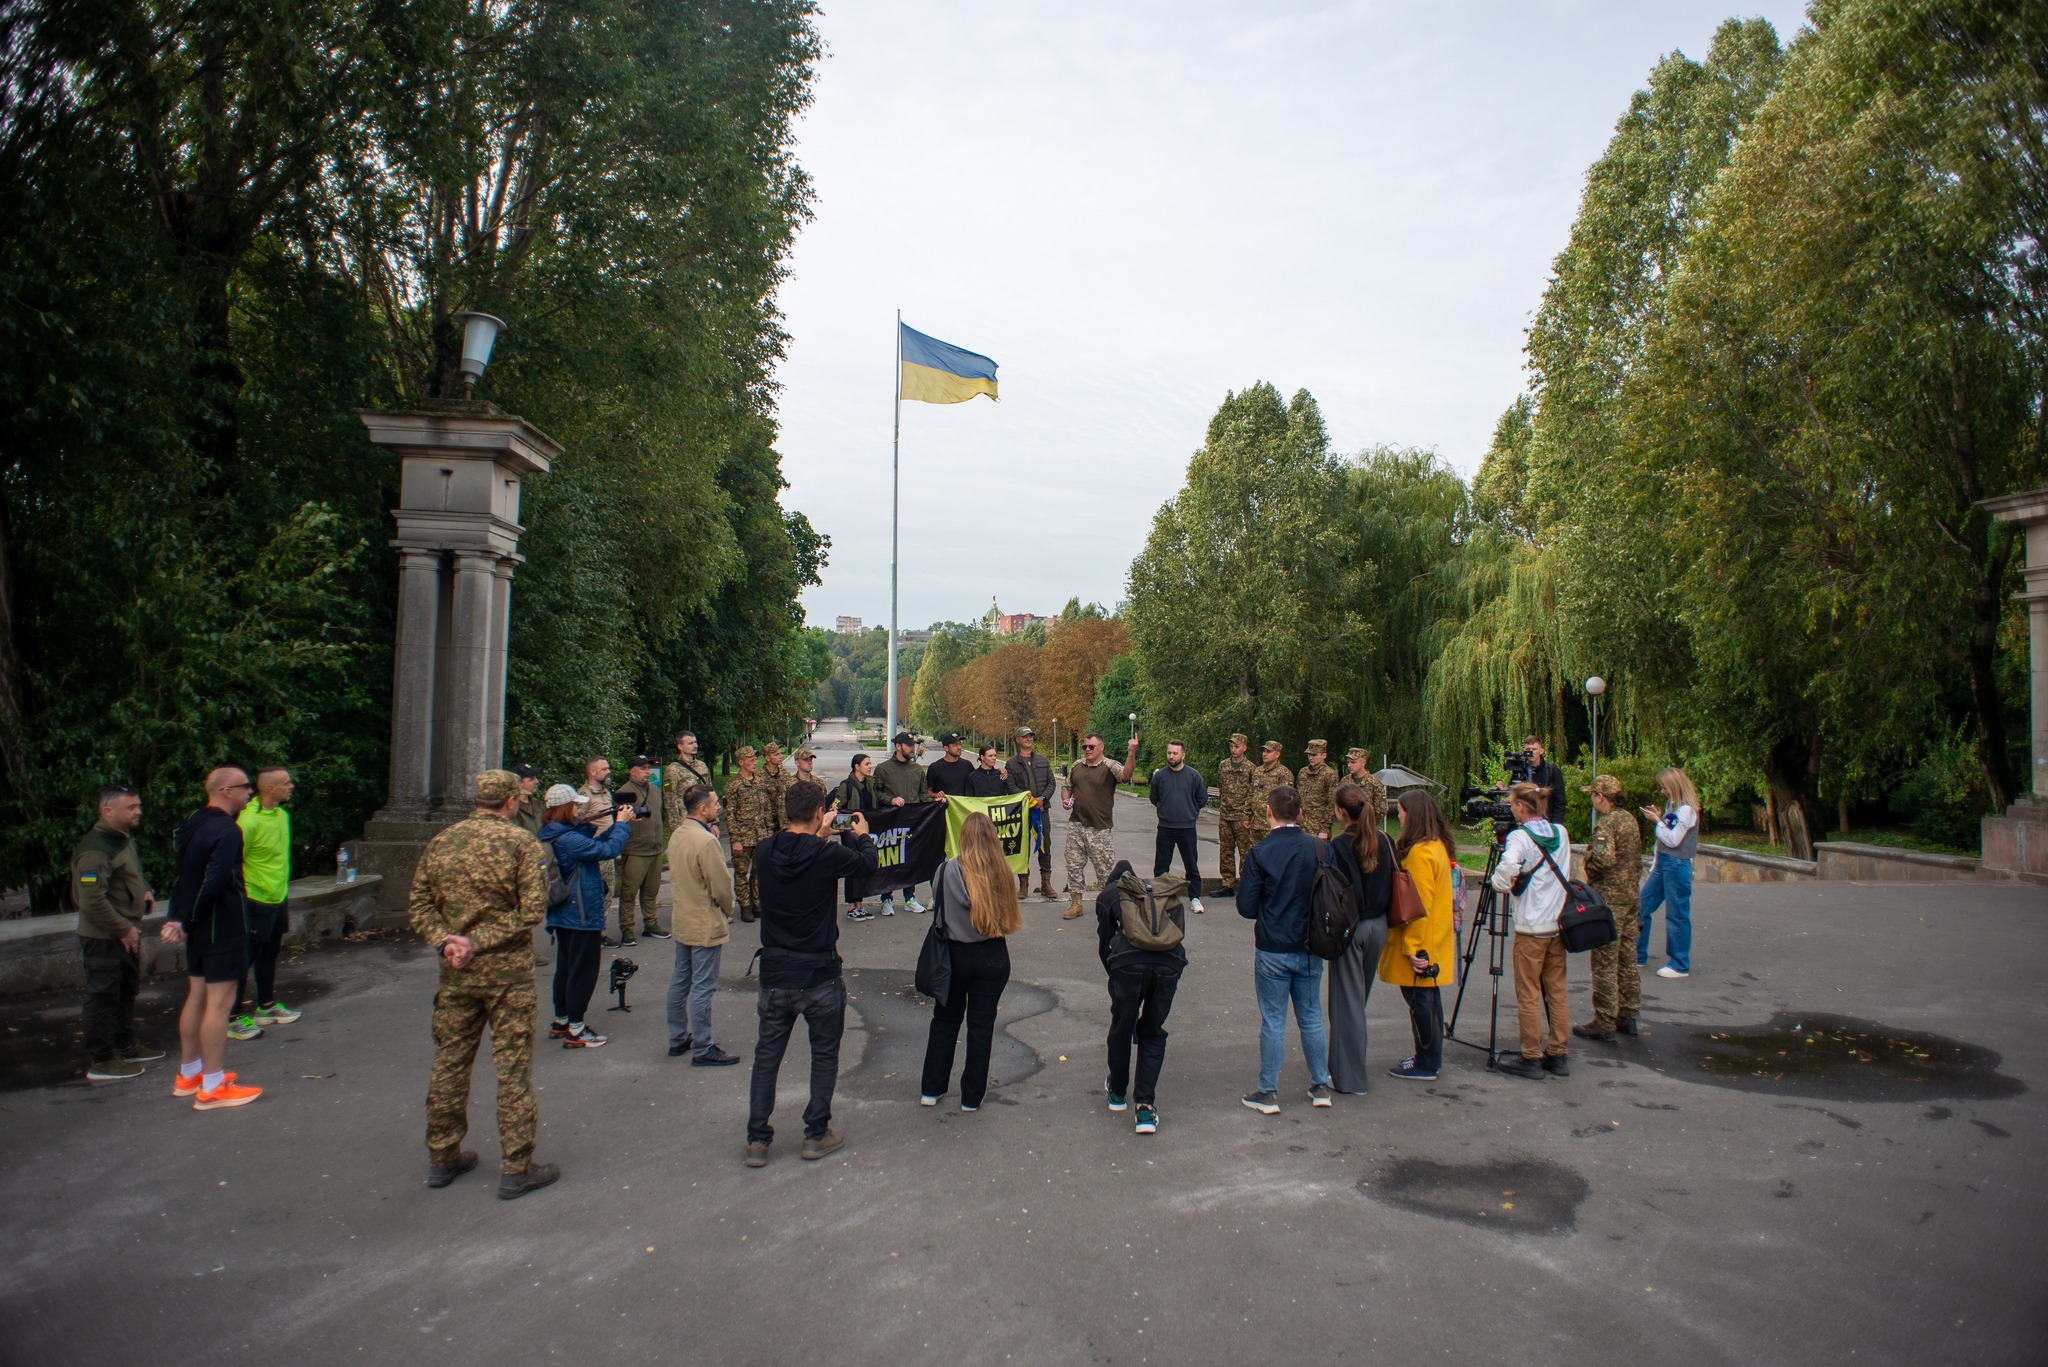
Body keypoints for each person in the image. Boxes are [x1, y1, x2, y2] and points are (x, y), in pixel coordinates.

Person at [409, 769, 557, 1198]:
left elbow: (418, 904)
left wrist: (447, 942)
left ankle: (442, 1155)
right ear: (511, 801)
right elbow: (532, 909)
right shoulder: (519, 843)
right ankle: (517, 1164)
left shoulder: (443, 842)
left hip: (457, 974)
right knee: (512, 1069)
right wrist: (479, 940)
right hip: (507, 975)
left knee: (450, 1063)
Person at [744, 780, 878, 1167]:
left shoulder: (766, 850)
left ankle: (757, 1138)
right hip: (818, 970)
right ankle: (815, 1133)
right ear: (820, 813)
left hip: (775, 969)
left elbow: (795, 850)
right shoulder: (824, 855)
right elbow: (867, 865)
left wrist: (818, 835)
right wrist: (862, 836)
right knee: (823, 1054)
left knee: (767, 1055)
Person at [162, 767, 263, 1110]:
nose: (250, 792)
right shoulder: (227, 829)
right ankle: (212, 1086)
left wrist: (177, 917)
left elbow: (183, 878)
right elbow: (215, 881)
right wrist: (188, 920)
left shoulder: (191, 823)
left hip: (199, 926)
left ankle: (189, 1074)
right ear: (224, 790)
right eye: (244, 787)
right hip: (221, 926)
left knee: (197, 995)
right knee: (220, 1004)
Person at [1235, 784, 1333, 1113]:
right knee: (1311, 1016)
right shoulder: (1319, 848)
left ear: (1268, 811)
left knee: (1274, 1020)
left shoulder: (1260, 852)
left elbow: (1246, 906)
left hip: (1274, 944)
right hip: (1311, 943)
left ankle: (1268, 1091)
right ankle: (1320, 1084)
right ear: (1301, 814)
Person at [918, 812, 1024, 1111]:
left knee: (944, 1021)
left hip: (952, 955)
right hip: (991, 954)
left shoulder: (947, 870)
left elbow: (939, 909)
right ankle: (972, 1097)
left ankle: (932, 1088)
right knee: (981, 1026)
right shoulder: (1003, 871)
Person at [73, 784, 163, 1081]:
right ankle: (102, 1060)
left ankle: (125, 1045)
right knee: (102, 998)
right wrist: (123, 928)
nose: (138, 811)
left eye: (138, 806)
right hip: (105, 937)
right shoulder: (95, 850)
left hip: (125, 932)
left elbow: (131, 872)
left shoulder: (120, 838)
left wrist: (145, 889)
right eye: (131, 807)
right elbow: (90, 900)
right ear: (107, 810)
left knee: (126, 991)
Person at [538, 781, 635, 1048]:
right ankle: (577, 1030)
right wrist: (622, 824)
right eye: (577, 807)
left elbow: (590, 847)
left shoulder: (551, 833)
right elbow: (607, 851)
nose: (580, 811)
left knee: (566, 968)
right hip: (581, 914)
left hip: (562, 913)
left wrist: (613, 826)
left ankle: (562, 1021)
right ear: (565, 808)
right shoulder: (568, 839)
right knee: (583, 971)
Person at [1490, 781, 1573, 1080]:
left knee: (1528, 993)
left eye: (1513, 805)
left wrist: (1499, 883)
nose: (1511, 809)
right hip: (1557, 924)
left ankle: (1531, 1055)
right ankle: (1558, 1053)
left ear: (1522, 807)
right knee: (1557, 992)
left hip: (1530, 928)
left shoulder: (1519, 838)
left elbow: (1507, 870)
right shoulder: (1560, 833)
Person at [1095, 858, 1185, 1135]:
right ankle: (1145, 1107)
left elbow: (1105, 945)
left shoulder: (1109, 895)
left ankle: (1118, 1093)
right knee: (1153, 1031)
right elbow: (1178, 934)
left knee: (1121, 1027)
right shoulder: (1162, 894)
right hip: (1169, 964)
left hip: (1127, 966)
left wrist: (1116, 976)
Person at [1385, 791, 1458, 1080]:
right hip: (1436, 936)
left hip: (1422, 941)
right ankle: (1428, 1057)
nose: (1399, 815)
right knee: (1430, 1001)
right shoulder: (1437, 845)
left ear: (1411, 815)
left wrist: (1414, 948)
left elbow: (1417, 904)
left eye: (1401, 811)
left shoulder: (1419, 853)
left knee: (1420, 1003)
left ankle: (1426, 1061)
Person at [664, 784, 739, 1066]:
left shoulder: (679, 834)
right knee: (703, 986)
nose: (719, 807)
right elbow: (720, 885)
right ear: (703, 808)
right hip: (704, 921)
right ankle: (703, 1046)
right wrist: (728, 909)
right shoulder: (706, 842)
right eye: (716, 803)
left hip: (683, 918)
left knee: (680, 981)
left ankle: (677, 1038)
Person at [1325, 783, 1392, 1093]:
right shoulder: (1384, 840)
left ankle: (1350, 1078)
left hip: (1351, 929)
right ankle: (1344, 1065)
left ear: (1340, 811)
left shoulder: (1339, 846)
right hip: (1379, 926)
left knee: (1347, 1004)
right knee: (1357, 998)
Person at [233, 765, 300, 1036]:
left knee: (270, 953)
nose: (291, 786)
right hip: (254, 899)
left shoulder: (282, 816)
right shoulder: (247, 822)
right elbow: (235, 861)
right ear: (269, 788)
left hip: (278, 896)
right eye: (285, 783)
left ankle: (266, 1006)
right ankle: (232, 1015)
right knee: (245, 957)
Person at [1577, 774, 1645, 1039]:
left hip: (1611, 898)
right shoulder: (1629, 819)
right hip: (1630, 895)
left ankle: (1604, 1020)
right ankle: (1628, 1014)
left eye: (1593, 795)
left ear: (1600, 797)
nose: (1592, 799)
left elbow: (1604, 860)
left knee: (1605, 960)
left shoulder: (1607, 824)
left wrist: (1590, 868)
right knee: (1627, 958)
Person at [1061, 731, 1140, 920]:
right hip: (1076, 824)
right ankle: (1076, 903)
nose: (1087, 750)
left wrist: (1131, 753)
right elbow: (1067, 786)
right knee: (1073, 866)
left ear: (1101, 747)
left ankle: (1111, 906)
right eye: (1085, 747)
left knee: (1105, 871)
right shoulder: (1077, 766)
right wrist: (1066, 800)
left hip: (1100, 828)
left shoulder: (1109, 766)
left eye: (1091, 747)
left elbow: (1126, 776)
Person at [1637, 767, 1700, 979]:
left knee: (1676, 913)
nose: (1662, 791)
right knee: (1641, 906)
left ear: (1674, 787)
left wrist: (1656, 821)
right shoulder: (1673, 806)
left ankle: (1679, 963)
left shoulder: (1687, 810)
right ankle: (1637, 953)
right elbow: (1667, 835)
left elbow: (1673, 839)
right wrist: (1659, 816)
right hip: (1664, 863)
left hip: (1677, 864)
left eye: (1664, 787)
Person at [871, 731, 930, 915]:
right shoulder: (883, 768)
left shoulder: (917, 769)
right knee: (890, 859)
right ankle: (886, 899)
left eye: (913, 745)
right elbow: (876, 793)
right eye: (909, 745)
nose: (913, 748)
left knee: (910, 859)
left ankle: (909, 898)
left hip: (913, 821)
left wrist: (934, 801)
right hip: (891, 821)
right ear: (898, 746)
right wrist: (891, 800)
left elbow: (922, 795)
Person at [1147, 740, 1208, 913]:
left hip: (1187, 828)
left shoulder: (1193, 776)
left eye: (1175, 753)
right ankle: (1160, 897)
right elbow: (1154, 798)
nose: (1171, 756)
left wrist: (1190, 811)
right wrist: (1165, 810)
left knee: (1191, 865)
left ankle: (1195, 898)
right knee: (1161, 865)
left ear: (1183, 755)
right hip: (1165, 827)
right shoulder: (1160, 776)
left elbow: (1201, 798)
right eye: (1169, 753)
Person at [613, 755, 667, 943]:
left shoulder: (655, 790)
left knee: (651, 890)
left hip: (655, 847)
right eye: (642, 768)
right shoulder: (624, 793)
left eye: (648, 768)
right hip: (636, 849)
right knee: (629, 891)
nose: (647, 772)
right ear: (632, 771)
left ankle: (650, 923)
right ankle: (627, 928)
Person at [1005, 726, 1057, 900]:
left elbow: (1051, 783)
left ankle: (1046, 883)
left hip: (1041, 811)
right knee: (1022, 847)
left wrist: (1043, 798)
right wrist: (1025, 797)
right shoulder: (1012, 763)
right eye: (1024, 736)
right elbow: (1010, 786)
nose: (1028, 739)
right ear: (1018, 740)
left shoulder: (1043, 760)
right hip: (1021, 812)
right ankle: (1023, 885)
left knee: (1045, 846)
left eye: (1030, 736)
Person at [722, 746, 773, 923]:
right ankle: (744, 905)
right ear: (741, 762)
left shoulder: (759, 782)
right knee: (742, 874)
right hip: (743, 838)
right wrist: (735, 839)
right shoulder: (733, 785)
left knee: (759, 873)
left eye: (754, 758)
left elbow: (766, 809)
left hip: (760, 836)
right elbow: (729, 814)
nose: (754, 762)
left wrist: (768, 833)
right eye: (750, 759)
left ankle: (757, 903)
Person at [832, 754, 881, 921]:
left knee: (862, 868)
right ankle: (852, 906)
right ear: (856, 767)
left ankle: (859, 905)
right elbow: (834, 810)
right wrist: (850, 826)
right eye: (867, 764)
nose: (870, 766)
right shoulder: (845, 786)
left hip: (865, 833)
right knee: (852, 869)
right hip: (851, 836)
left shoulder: (870, 784)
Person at [1214, 734, 1254, 895]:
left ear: (1244, 747)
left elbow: (1252, 793)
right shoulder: (1224, 765)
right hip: (1225, 814)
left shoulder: (1250, 768)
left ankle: (1245, 883)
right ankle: (1227, 883)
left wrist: (1247, 814)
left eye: (1237, 746)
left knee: (1245, 851)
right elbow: (1221, 786)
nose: (1233, 749)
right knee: (1226, 850)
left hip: (1242, 816)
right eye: (1231, 746)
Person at [1247, 741, 1294, 848]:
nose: (1264, 754)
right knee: (1255, 854)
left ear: (1277, 754)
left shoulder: (1284, 773)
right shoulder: (1258, 771)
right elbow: (1251, 794)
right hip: (1255, 823)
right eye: (1263, 751)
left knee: (1272, 854)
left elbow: (1286, 801)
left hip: (1272, 825)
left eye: (1268, 751)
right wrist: (1247, 816)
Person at [664, 731, 713, 832]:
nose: (695, 746)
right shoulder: (672, 770)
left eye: (695, 742)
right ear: (680, 746)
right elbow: (670, 801)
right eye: (690, 743)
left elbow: (711, 793)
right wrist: (676, 829)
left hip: (705, 821)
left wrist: (714, 822)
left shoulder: (702, 766)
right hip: (686, 822)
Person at [1296, 740, 1338, 838]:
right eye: (1309, 754)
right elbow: (1298, 797)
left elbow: (1331, 803)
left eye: (1314, 755)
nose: (1311, 758)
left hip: (1318, 827)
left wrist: (1325, 829)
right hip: (1301, 825)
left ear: (1324, 756)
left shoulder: (1329, 774)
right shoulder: (1303, 772)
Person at [1523, 735, 1568, 826]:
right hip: (1524, 821)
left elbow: (1560, 800)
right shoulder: (1520, 769)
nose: (1531, 752)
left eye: (1534, 749)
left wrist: (1556, 825)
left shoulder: (1551, 770)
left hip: (1545, 821)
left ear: (1541, 751)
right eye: (1528, 749)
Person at [925, 731, 974, 798]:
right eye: (955, 745)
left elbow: (976, 783)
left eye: (960, 744)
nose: (959, 747)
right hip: (944, 807)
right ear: (946, 748)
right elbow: (927, 791)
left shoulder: (967, 765)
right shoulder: (935, 767)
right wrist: (936, 795)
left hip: (962, 807)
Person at [1345, 747, 1388, 817]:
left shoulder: (1374, 783)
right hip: (1347, 825)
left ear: (1363, 762)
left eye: (1353, 762)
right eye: (1348, 762)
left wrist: (1369, 823)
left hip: (1366, 826)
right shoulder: (1345, 781)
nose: (1349, 765)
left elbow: (1382, 809)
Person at [760, 742, 791, 830]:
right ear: (767, 758)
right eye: (776, 754)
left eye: (780, 753)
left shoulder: (785, 774)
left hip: (785, 823)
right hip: (768, 825)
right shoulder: (759, 777)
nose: (780, 756)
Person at [512, 764, 543, 836]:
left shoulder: (538, 804)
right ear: (519, 783)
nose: (536, 781)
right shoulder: (511, 807)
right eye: (531, 779)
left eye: (536, 778)